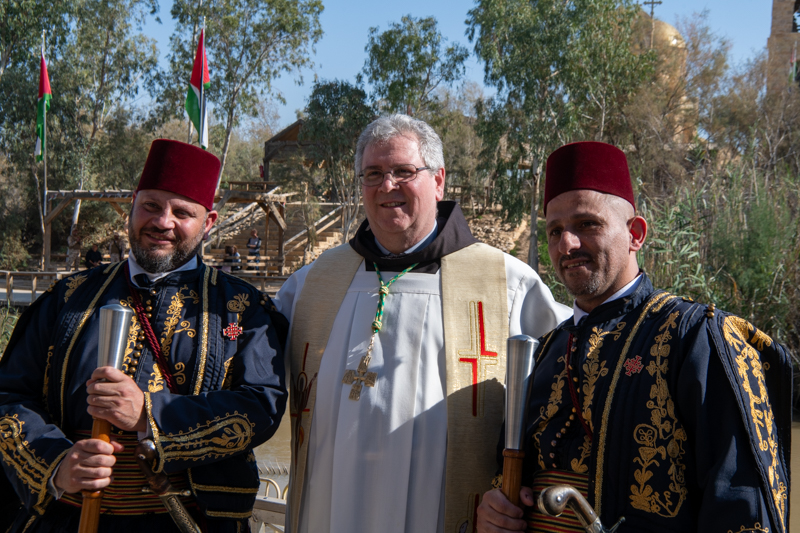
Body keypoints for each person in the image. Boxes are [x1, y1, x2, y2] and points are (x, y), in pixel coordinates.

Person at [274, 114, 572, 533]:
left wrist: (520, 494)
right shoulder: (313, 282)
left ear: (438, 181)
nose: (387, 186)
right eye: (373, 173)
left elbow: (567, 398)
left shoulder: (506, 283)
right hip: (325, 511)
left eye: (403, 172)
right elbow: (252, 378)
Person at [476, 141, 791, 533]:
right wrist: (494, 510)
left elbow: (741, 509)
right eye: (555, 230)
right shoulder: (547, 350)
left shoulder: (698, 338)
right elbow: (511, 481)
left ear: (635, 234)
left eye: (587, 224)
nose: (566, 244)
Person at [0, 139, 288, 533]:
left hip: (189, 522)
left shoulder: (241, 309)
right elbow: (9, 397)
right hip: (69, 518)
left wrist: (150, 416)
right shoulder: (65, 299)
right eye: (151, 205)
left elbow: (262, 404)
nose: (162, 222)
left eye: (182, 212)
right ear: (133, 205)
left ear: (209, 223)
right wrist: (56, 465)